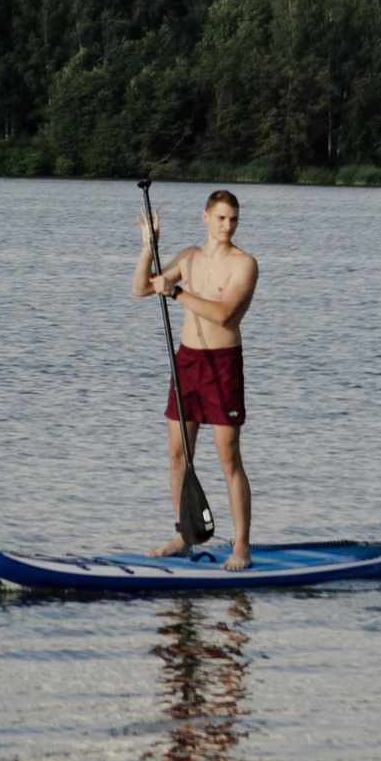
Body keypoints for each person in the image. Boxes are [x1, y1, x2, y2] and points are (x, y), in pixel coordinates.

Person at [135, 187, 258, 567]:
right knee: (178, 454)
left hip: (223, 365)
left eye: (233, 219)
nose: (227, 226)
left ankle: (241, 547)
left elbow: (225, 315)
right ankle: (183, 537)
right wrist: (149, 248)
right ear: (205, 217)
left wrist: (176, 293)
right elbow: (140, 288)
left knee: (228, 459)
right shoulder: (188, 257)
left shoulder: (245, 264)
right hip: (187, 362)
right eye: (221, 218)